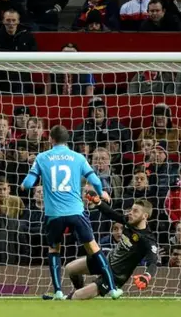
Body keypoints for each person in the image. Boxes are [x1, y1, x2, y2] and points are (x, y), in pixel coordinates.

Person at [20, 125, 122, 300]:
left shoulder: (42, 157)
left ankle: (58, 291)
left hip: (54, 214)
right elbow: (95, 180)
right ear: (67, 140)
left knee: (54, 250)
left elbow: (29, 184)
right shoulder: (78, 158)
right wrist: (102, 192)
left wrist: (23, 185)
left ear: (51, 139)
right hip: (76, 211)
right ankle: (112, 289)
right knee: (93, 248)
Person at [63, 194, 158, 300]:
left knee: (77, 296)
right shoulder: (129, 221)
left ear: (145, 216)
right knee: (69, 269)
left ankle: (73, 297)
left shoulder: (147, 240)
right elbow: (112, 214)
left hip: (115, 276)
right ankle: (79, 290)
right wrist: (98, 203)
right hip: (105, 261)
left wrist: (146, 276)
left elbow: (153, 262)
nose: (130, 213)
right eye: (131, 209)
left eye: (135, 211)